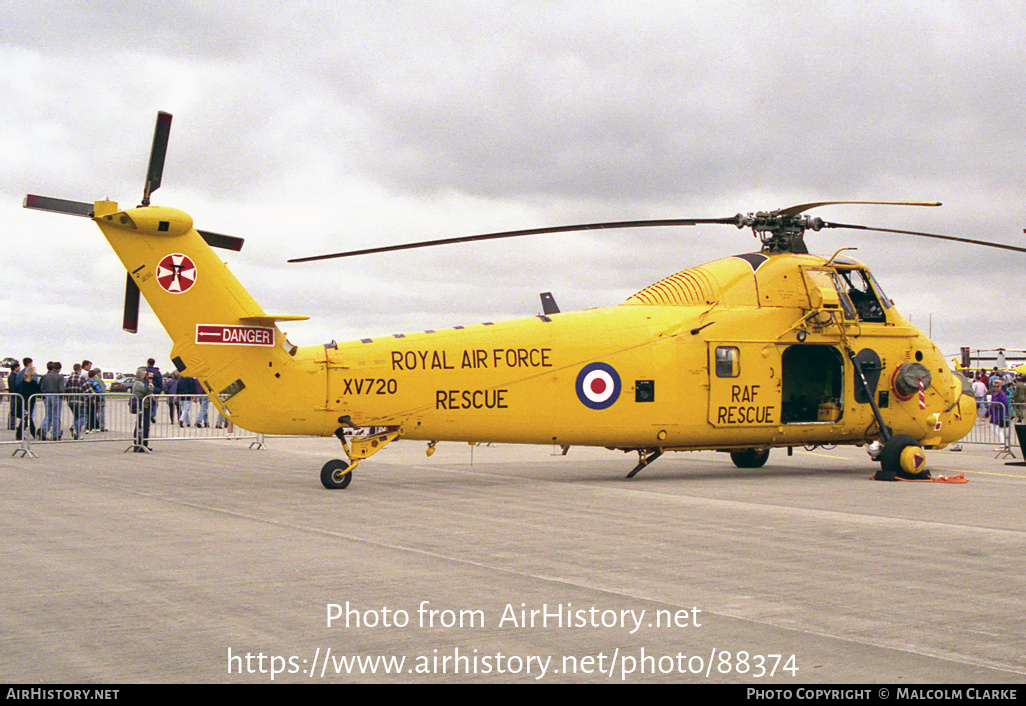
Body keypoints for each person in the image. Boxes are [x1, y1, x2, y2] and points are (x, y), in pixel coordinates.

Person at [40, 361, 65, 440]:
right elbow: (61, 388)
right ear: (59, 369)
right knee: (56, 416)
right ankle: (55, 434)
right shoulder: (60, 377)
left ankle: (43, 429)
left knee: (48, 415)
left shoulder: (45, 376)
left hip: (47, 396)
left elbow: (42, 387)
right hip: (56, 396)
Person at [65, 363, 91, 440]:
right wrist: (92, 397)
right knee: (84, 417)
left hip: (71, 401)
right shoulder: (82, 378)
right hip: (80, 401)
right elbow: (88, 390)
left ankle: (77, 435)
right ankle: (74, 427)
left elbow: (66, 389)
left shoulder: (69, 378)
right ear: (80, 369)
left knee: (76, 416)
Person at [132, 366, 155, 452]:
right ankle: (138, 444)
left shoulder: (142, 383)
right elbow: (149, 390)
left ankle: (144, 444)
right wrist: (150, 381)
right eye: (145, 374)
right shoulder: (138, 383)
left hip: (145, 406)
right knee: (140, 426)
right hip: (141, 406)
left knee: (145, 426)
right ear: (140, 375)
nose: (146, 376)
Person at [16, 365, 42, 441]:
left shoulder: (22, 383)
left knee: (26, 418)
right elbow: (38, 392)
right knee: (27, 418)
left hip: (23, 402)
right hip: (29, 402)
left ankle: (20, 434)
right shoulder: (33, 383)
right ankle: (33, 433)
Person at [990, 380, 1010, 450]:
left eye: (997, 386)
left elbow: (1005, 404)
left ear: (1001, 386)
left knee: (999, 430)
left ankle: (1002, 445)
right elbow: (991, 403)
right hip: (994, 414)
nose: (996, 388)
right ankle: (1003, 443)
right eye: (994, 386)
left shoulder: (1002, 394)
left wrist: (996, 405)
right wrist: (988, 412)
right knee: (994, 429)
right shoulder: (994, 394)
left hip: (1001, 414)